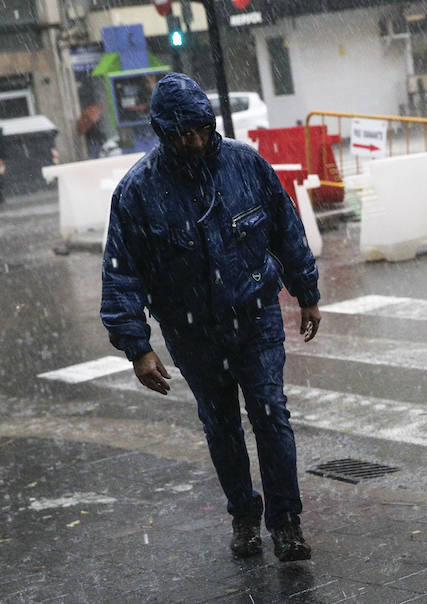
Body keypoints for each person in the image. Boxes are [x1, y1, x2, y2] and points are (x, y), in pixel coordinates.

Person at [100, 73, 321, 562]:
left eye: (198, 130)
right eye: (180, 135)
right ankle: (244, 515)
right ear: (162, 134)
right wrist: (137, 345)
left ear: (210, 124)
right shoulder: (137, 192)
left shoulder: (245, 166)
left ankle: (285, 522)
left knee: (271, 415)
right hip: (192, 332)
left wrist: (306, 291)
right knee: (220, 425)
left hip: (256, 316)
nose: (192, 142)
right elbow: (122, 273)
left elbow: (286, 230)